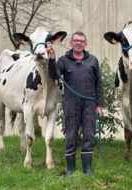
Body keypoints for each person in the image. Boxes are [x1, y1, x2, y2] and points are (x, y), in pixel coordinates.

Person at [47, 31, 105, 176]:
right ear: (71, 43)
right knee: (71, 135)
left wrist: (99, 105)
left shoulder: (93, 60)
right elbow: (54, 75)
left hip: (90, 104)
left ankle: (87, 168)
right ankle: (70, 169)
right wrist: (52, 58)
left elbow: (99, 84)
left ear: (85, 44)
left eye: (81, 41)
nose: (78, 43)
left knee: (89, 135)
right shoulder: (63, 60)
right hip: (71, 103)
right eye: (76, 40)